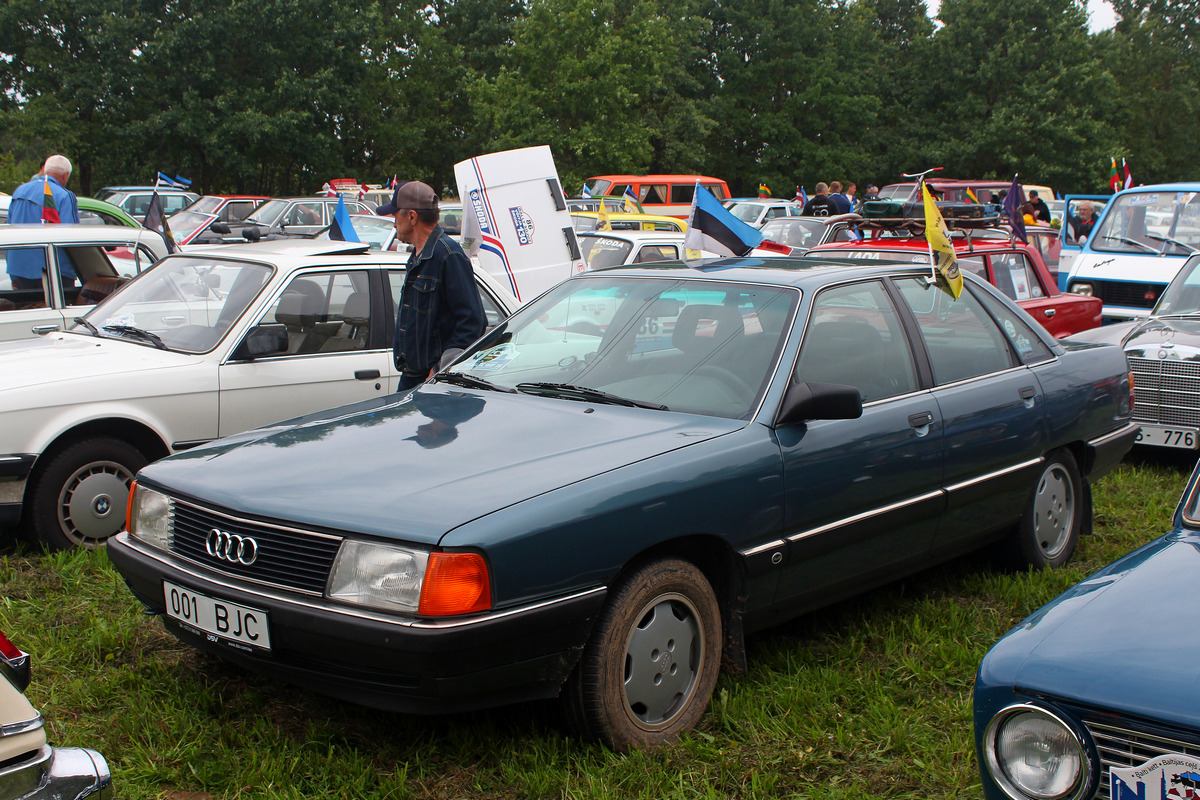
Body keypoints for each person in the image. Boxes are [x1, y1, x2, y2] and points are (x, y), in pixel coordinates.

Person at [377, 180, 486, 393]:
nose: (393, 222)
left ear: (411, 216)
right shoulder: (418, 255)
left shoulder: (448, 255)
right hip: (412, 377)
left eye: (395, 214)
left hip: (431, 383)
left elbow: (473, 323)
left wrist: (438, 370)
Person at [7, 155, 80, 290]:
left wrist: (13, 275)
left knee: (27, 309)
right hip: (54, 270)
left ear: (45, 170)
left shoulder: (19, 192)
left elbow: (9, 229)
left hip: (19, 269)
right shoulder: (64, 195)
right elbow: (71, 237)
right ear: (65, 175)